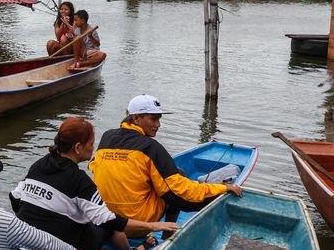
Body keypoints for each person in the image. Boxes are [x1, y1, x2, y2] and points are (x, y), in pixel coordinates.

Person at [10, 117, 178, 250]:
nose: (93, 147)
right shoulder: (79, 180)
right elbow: (109, 220)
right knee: (107, 226)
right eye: (91, 143)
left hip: (25, 245)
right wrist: (153, 226)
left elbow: (15, 198)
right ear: (78, 147)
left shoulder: (38, 165)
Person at [91, 94, 241, 224]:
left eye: (159, 119)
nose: (158, 125)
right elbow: (181, 190)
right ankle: (169, 232)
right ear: (136, 118)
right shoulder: (150, 147)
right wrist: (222, 188)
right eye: (153, 119)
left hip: (105, 217)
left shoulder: (107, 137)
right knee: (178, 178)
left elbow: (93, 167)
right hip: (137, 221)